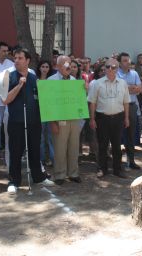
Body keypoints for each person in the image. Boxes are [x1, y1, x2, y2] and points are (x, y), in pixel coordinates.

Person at [3, 48, 55, 194]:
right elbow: (6, 99)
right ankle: (14, 181)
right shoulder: (10, 77)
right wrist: (19, 85)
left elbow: (43, 100)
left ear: (27, 61)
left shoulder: (34, 79)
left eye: (20, 58)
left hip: (34, 121)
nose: (17, 61)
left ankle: (38, 177)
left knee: (34, 150)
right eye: (15, 58)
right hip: (16, 121)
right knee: (15, 151)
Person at [88, 58, 130, 178]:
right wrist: (92, 119)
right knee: (102, 145)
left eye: (113, 67)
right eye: (108, 67)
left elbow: (126, 102)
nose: (110, 69)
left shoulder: (123, 83)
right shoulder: (97, 83)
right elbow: (92, 103)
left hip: (118, 118)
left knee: (117, 145)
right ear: (104, 69)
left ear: (118, 69)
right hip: (102, 118)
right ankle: (102, 169)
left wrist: (126, 118)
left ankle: (117, 169)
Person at [48, 55, 82, 185]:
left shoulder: (74, 80)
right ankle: (59, 175)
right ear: (57, 66)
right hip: (59, 119)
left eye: (69, 63)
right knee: (60, 148)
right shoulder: (51, 81)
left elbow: (78, 101)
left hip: (74, 119)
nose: (68, 66)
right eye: (65, 64)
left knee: (74, 147)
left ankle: (73, 173)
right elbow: (48, 104)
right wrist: (52, 122)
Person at [117, 52, 142, 170]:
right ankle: (117, 162)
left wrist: (128, 87)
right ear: (119, 63)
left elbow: (139, 89)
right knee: (117, 135)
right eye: (125, 60)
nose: (128, 62)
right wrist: (131, 87)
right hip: (119, 107)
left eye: (128, 60)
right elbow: (119, 90)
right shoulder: (116, 74)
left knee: (130, 135)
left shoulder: (135, 73)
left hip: (132, 106)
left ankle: (131, 160)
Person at [36, 60, 55, 167]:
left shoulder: (52, 81)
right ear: (39, 68)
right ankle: (42, 160)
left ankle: (53, 159)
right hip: (39, 112)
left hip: (51, 112)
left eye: (47, 67)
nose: (44, 68)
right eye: (43, 66)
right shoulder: (36, 80)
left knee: (50, 138)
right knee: (41, 138)